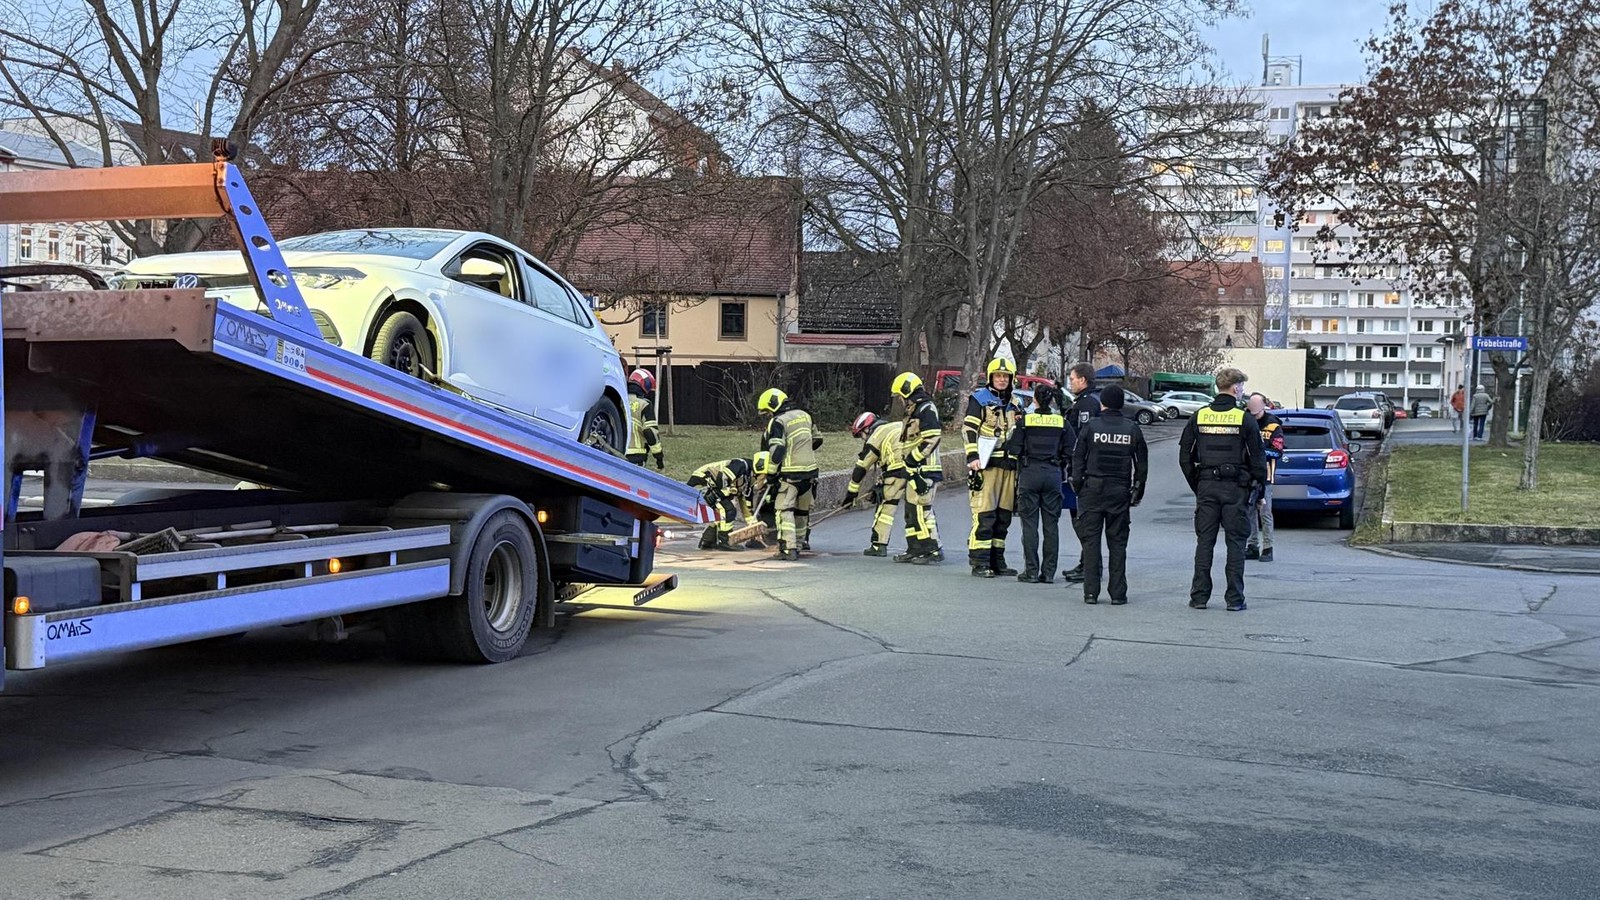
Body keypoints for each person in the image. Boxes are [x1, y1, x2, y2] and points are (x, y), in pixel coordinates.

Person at [1179, 367, 1267, 612]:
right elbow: (1258, 461)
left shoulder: (1199, 416)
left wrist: (1197, 485)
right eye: (1242, 388)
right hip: (1236, 489)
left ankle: (1199, 597)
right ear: (1236, 388)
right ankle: (1234, 599)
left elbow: (1185, 457)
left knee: (1204, 543)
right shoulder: (1244, 419)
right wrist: (1258, 493)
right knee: (1236, 544)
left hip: (1207, 486)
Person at [1071, 385, 1148, 605]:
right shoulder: (1132, 428)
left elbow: (1078, 459)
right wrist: (1137, 491)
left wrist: (1078, 486)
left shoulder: (1091, 427)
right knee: (1118, 544)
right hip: (1119, 492)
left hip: (1092, 491)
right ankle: (1118, 594)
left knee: (1091, 543)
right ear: (1122, 404)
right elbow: (1141, 463)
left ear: (1103, 403)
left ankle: (1090, 593)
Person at [1006, 385, 1075, 584]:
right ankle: (1049, 573)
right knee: (1051, 526)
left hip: (1029, 474)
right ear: (1052, 400)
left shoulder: (1025, 422)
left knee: (1029, 525)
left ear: (1034, 400)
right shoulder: (1061, 422)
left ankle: (1031, 571)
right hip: (1053, 475)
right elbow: (1072, 450)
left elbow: (1013, 449)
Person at [963, 359, 1024, 578]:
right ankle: (979, 562)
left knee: (1003, 517)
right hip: (986, 466)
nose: (1001, 379)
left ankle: (997, 560)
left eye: (1005, 376)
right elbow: (969, 428)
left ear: (1011, 378)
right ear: (990, 377)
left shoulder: (1017, 403)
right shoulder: (979, 399)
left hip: (1009, 466)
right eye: (997, 376)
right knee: (985, 514)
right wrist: (972, 456)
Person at [891, 372, 946, 564]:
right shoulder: (915, 409)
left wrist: (913, 460)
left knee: (923, 511)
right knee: (912, 512)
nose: (900, 399)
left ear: (907, 391)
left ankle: (933, 549)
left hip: (925, 470)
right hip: (915, 469)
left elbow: (932, 438)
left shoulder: (926, 408)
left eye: (900, 395)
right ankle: (915, 548)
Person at [759, 388, 818, 561]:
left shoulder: (778, 421)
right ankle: (800, 544)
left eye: (768, 412)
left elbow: (777, 449)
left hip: (790, 473)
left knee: (784, 510)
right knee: (802, 511)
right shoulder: (805, 415)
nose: (768, 415)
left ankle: (788, 548)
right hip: (811, 471)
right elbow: (817, 439)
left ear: (773, 406)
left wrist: (770, 473)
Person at [842, 411, 906, 557]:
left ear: (867, 429)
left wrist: (851, 493)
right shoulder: (897, 425)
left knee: (886, 508)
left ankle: (878, 545)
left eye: (861, 435)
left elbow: (861, 467)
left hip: (896, 471)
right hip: (917, 468)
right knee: (916, 509)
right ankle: (923, 547)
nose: (862, 439)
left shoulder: (876, 435)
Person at [1060, 362, 1100, 584]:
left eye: (1073, 379)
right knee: (1081, 518)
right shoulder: (1088, 401)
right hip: (1085, 469)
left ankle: (1089, 565)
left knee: (1081, 519)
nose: (1071, 382)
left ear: (1083, 380)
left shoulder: (1086, 405)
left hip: (1082, 470)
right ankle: (1088, 562)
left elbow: (1081, 438)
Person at [1244, 392, 1283, 563]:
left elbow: (1278, 451)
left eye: (1255, 406)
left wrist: (1257, 452)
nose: (1251, 409)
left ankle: (1268, 547)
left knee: (1265, 512)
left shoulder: (1273, 425)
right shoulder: (1245, 420)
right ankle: (1252, 546)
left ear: (1263, 406)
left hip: (1265, 475)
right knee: (1249, 511)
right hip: (1246, 474)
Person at [687, 457, 755, 551]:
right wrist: (725, 492)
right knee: (727, 510)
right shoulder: (741, 465)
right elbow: (721, 478)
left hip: (713, 481)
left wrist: (752, 523)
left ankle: (708, 541)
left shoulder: (747, 481)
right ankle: (725, 541)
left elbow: (743, 502)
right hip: (704, 478)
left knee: (719, 512)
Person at [625, 368, 664, 469]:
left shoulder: (618, 399)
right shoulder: (644, 404)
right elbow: (650, 431)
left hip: (614, 450)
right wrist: (659, 457)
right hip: (635, 455)